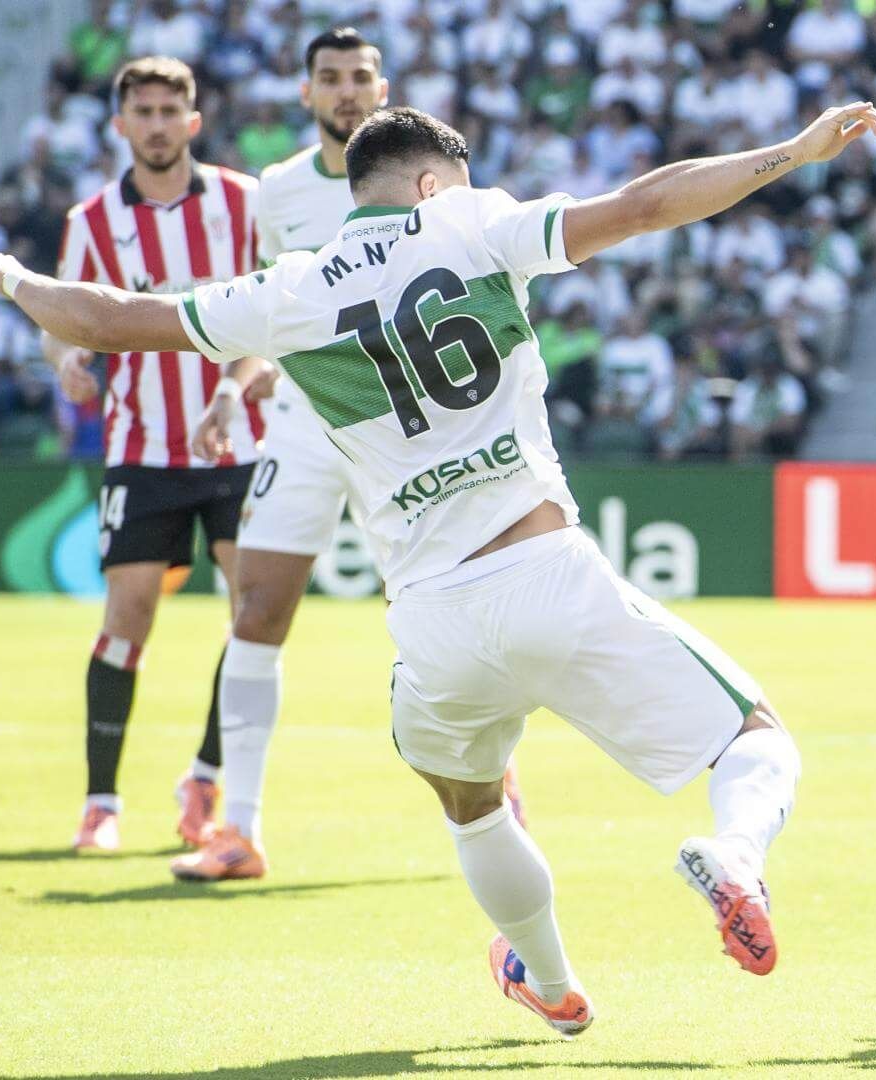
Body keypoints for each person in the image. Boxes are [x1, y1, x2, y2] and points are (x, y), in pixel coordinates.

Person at [0, 98, 876, 1036]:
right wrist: (792, 154)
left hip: (432, 619)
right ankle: (736, 858)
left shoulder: (290, 290)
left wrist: (17, 278)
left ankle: (552, 986)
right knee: (757, 741)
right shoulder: (467, 221)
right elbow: (644, 205)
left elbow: (113, 320)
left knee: (474, 807)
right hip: (542, 564)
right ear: (432, 183)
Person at [172, 26, 538, 886]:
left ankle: (495, 775)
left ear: (383, 87)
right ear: (306, 94)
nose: (346, 91)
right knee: (256, 612)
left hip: (406, 434)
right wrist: (233, 387)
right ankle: (241, 830)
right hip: (305, 421)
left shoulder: (428, 184)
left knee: (457, 610)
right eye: (330, 78)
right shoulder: (281, 192)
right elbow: (275, 313)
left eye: (360, 77)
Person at [47, 56, 266, 855]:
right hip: (141, 449)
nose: (158, 124)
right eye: (143, 110)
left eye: (171, 110)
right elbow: (65, 317)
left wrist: (236, 388)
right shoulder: (93, 220)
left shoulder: (244, 205)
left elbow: (271, 318)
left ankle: (205, 774)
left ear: (194, 121)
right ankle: (100, 802)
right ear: (120, 124)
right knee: (127, 620)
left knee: (254, 615)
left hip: (241, 444)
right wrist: (65, 360)